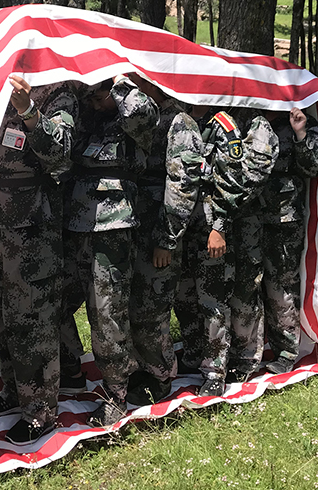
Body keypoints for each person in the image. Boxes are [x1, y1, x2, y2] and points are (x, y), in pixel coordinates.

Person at [0, 74, 79, 446]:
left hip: (32, 227)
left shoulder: (58, 92)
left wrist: (29, 112)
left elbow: (61, 152)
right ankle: (14, 391)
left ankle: (40, 412)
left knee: (31, 320)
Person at [59, 74, 159, 427]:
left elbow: (141, 113)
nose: (92, 103)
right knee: (56, 300)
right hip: (75, 224)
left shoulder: (134, 118)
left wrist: (119, 82)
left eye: (98, 96)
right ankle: (70, 370)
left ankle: (117, 392)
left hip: (112, 228)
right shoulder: (90, 118)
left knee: (106, 314)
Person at [168, 106, 277, 396]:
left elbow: (234, 181)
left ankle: (216, 370)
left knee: (214, 299)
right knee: (185, 295)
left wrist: (219, 226)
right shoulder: (184, 119)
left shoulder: (223, 125)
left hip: (211, 225)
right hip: (186, 224)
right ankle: (194, 351)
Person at [125, 73, 184, 405]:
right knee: (136, 305)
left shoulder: (178, 122)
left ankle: (160, 378)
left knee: (153, 309)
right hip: (137, 227)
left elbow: (182, 186)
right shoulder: (148, 116)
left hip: (160, 231)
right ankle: (142, 368)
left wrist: (167, 239)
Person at [259, 107, 318, 375]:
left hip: (283, 219)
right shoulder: (243, 115)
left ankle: (286, 352)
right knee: (245, 286)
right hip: (245, 215)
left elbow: (316, 166)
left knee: (281, 286)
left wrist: (300, 134)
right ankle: (246, 352)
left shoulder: (299, 122)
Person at [224, 108, 279, 383]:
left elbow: (254, 177)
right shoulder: (217, 116)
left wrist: (221, 201)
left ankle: (245, 357)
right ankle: (211, 351)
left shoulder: (256, 124)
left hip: (243, 220)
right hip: (214, 219)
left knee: (245, 287)